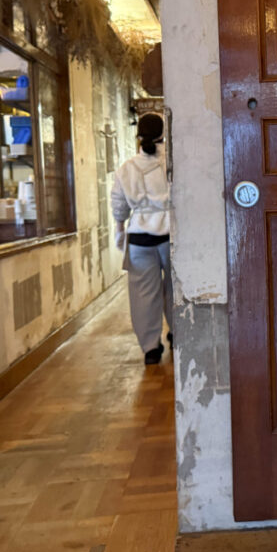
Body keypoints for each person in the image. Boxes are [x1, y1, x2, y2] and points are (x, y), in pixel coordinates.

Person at [111, 113, 173, 366]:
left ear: (138, 135)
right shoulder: (172, 162)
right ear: (163, 133)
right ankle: (179, 333)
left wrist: (119, 230)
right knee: (176, 288)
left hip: (139, 236)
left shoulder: (127, 168)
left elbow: (118, 204)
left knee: (143, 294)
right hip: (173, 232)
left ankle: (150, 347)